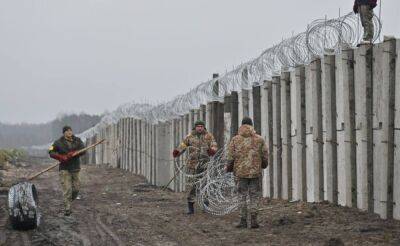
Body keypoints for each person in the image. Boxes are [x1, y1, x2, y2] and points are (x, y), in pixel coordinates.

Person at [226, 117, 268, 229]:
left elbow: (230, 157)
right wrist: (263, 165)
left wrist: (229, 168)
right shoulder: (259, 139)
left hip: (240, 173)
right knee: (254, 196)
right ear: (251, 125)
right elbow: (265, 155)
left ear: (242, 125)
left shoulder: (235, 139)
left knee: (241, 196)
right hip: (255, 172)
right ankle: (254, 220)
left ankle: (243, 221)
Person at [172, 120, 218, 214]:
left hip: (204, 164)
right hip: (192, 165)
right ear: (195, 127)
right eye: (198, 126)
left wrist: (212, 150)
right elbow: (183, 145)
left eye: (201, 126)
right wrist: (177, 152)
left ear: (204, 127)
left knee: (205, 184)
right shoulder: (190, 137)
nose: (200, 128)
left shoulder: (209, 136)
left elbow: (214, 145)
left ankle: (205, 205)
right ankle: (190, 206)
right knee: (192, 185)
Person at [49, 126, 85, 216]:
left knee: (76, 189)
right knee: (67, 189)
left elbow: (83, 150)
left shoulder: (78, 140)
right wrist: (61, 157)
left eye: (70, 130)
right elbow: (50, 152)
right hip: (64, 169)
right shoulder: (58, 142)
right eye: (67, 131)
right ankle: (67, 208)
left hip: (75, 168)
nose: (69, 132)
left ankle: (68, 201)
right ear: (64, 133)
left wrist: (75, 153)